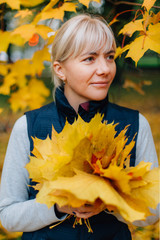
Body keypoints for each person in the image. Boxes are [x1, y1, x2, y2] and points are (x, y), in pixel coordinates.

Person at [0, 14, 159, 240]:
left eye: (110, 57)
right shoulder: (29, 126)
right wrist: (57, 207)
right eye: (90, 59)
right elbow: (8, 215)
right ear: (60, 69)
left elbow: (153, 211)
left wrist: (109, 202)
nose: (104, 69)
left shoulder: (134, 124)